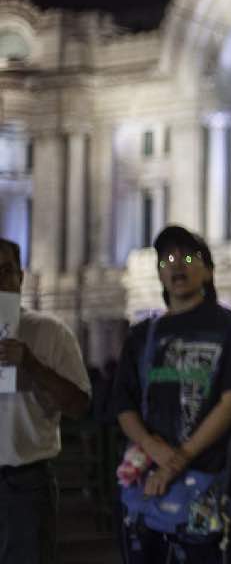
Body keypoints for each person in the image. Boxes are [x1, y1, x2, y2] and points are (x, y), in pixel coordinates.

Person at [111, 224, 231, 563]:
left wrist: (178, 459)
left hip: (208, 481)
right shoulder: (141, 336)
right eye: (167, 258)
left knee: (209, 554)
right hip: (148, 479)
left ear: (208, 270)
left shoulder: (230, 327)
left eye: (188, 256)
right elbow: (124, 404)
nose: (177, 263)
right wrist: (153, 449)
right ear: (160, 273)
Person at [0, 238, 91, 563]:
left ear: (20, 278)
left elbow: (79, 405)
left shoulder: (50, 332)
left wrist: (32, 365)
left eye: (6, 271)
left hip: (25, 483)